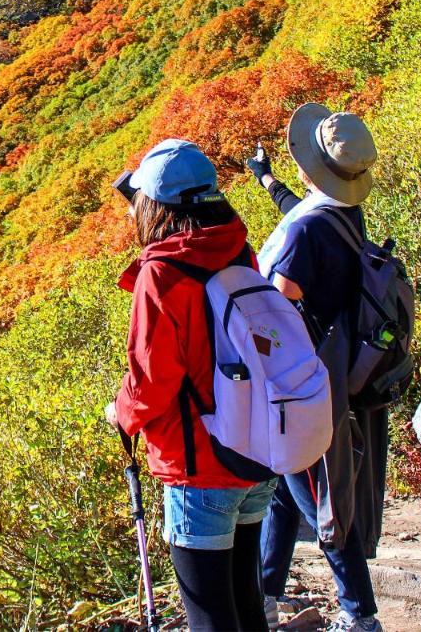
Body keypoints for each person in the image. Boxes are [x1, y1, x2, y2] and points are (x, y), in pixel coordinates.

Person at [104, 138, 277, 632]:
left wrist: (122, 413)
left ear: (155, 204)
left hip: (198, 464)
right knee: (246, 600)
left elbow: (152, 380)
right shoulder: (239, 250)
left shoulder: (161, 273)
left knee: (208, 614)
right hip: (254, 452)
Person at [246, 104, 386, 632]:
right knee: (286, 490)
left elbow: (276, 309)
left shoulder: (305, 232)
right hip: (336, 371)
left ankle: (361, 615)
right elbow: (306, 215)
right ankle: (265, 594)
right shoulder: (346, 213)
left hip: (305, 387)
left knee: (322, 501)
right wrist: (267, 181)